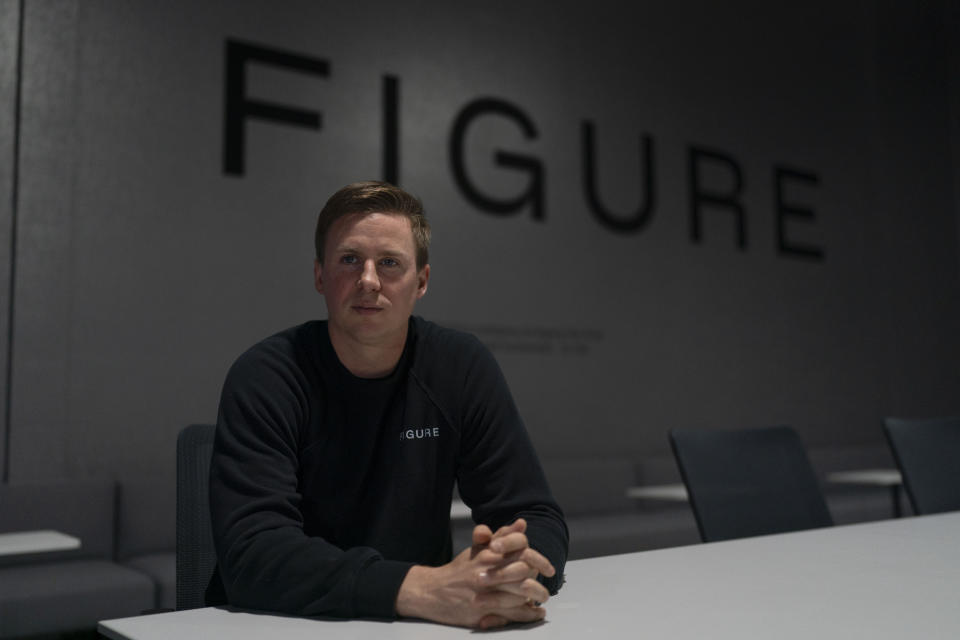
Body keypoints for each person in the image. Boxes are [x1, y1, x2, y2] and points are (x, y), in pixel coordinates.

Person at [207, 181, 568, 629]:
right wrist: (420, 589)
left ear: (421, 282)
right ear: (320, 275)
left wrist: (509, 572)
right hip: (278, 625)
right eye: (350, 260)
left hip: (424, 627)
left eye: (390, 263)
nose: (369, 281)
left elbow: (535, 515)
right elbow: (253, 553)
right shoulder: (267, 375)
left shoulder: (459, 366)